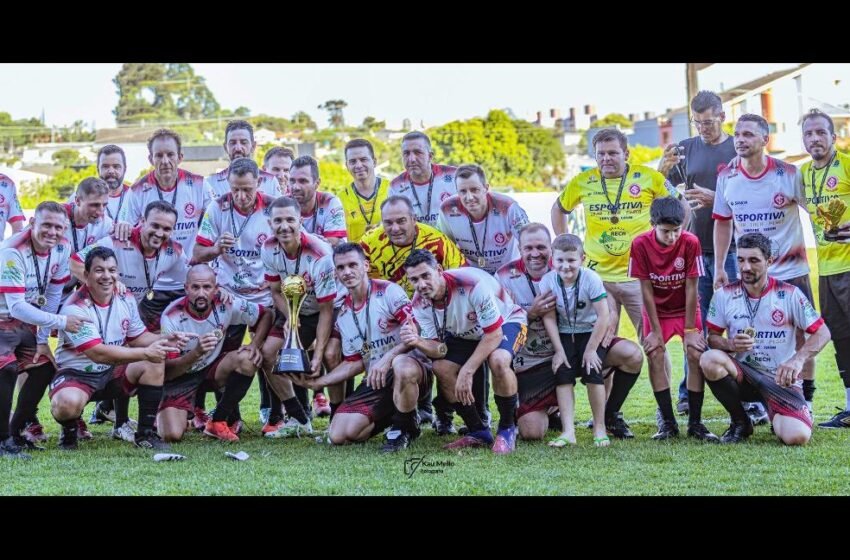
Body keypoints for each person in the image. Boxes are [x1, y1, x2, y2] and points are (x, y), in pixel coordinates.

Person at [496, 224, 643, 442]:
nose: (535, 254)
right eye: (528, 248)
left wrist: (606, 327)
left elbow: (606, 307)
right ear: (519, 248)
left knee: (632, 355)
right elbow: (501, 323)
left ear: (551, 249)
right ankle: (553, 411)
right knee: (531, 432)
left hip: (580, 341)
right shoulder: (504, 276)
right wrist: (530, 313)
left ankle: (608, 417)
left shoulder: (576, 267)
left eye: (541, 247)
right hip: (535, 361)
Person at [713, 114, 817, 413]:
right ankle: (757, 401)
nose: (740, 140)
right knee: (750, 335)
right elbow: (722, 222)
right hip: (751, 273)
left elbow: (814, 210)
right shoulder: (727, 177)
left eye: (747, 134)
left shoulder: (789, 173)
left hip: (792, 269)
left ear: (764, 140)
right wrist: (721, 266)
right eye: (737, 135)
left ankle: (804, 400)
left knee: (802, 336)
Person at [292, 243, 431, 452]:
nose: (347, 272)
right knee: (339, 435)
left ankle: (405, 427)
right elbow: (354, 362)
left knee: (401, 366)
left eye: (352, 265)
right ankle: (394, 413)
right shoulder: (345, 313)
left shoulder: (388, 291)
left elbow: (415, 333)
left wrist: (387, 360)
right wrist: (318, 382)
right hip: (377, 380)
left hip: (411, 370)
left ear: (365, 265)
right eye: (340, 268)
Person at [48, 246, 188, 451]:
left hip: (111, 372)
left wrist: (166, 339)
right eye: (99, 270)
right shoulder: (75, 307)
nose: (107, 276)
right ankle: (69, 432)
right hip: (78, 375)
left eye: (112, 270)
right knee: (66, 404)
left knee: (154, 362)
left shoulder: (126, 297)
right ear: (86, 275)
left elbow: (138, 336)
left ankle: (146, 434)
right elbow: (98, 353)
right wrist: (145, 352)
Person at [700, 233, 831, 445]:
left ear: (769, 261)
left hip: (781, 379)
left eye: (753, 260)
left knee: (797, 437)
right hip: (744, 376)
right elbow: (713, 338)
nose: (745, 267)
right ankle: (741, 422)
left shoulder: (789, 294)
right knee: (709, 359)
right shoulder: (724, 295)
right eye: (741, 260)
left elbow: (823, 332)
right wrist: (730, 344)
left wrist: (797, 360)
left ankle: (776, 411)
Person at [656, 90, 738, 415]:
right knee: (695, 325)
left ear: (722, 116)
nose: (703, 128)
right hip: (693, 252)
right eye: (697, 122)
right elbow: (660, 191)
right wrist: (662, 170)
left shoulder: (738, 147)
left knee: (737, 323)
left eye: (708, 121)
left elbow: (747, 196)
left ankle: (749, 393)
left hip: (734, 251)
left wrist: (714, 196)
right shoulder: (686, 149)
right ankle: (689, 394)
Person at [402, 249, 526, 454]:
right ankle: (478, 431)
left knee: (498, 360)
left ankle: (507, 428)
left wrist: (467, 370)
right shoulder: (419, 303)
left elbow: (493, 335)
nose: (421, 285)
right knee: (441, 367)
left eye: (426, 276)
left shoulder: (471, 284)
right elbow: (439, 350)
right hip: (466, 334)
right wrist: (418, 341)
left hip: (506, 322)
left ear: (439, 270)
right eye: (414, 279)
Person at [628, 197, 717, 441]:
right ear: (652, 224)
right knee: (655, 353)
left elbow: (692, 288)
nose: (672, 237)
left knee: (695, 352)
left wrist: (690, 329)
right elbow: (645, 289)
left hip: (686, 310)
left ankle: (696, 423)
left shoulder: (691, 242)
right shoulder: (639, 244)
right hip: (657, 311)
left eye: (676, 231)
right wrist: (654, 331)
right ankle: (668, 423)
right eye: (666, 232)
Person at [157, 264, 272, 442]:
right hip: (180, 378)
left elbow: (265, 314)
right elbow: (168, 372)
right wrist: (196, 352)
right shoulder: (171, 317)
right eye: (195, 287)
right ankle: (170, 413)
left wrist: (255, 344)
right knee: (171, 435)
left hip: (212, 370)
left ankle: (217, 421)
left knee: (248, 359)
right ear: (186, 288)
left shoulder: (226, 304)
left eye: (207, 287)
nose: (201, 293)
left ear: (216, 289)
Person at [0, 202, 77, 457]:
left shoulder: (63, 248)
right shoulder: (12, 250)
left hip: (21, 323)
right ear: (33, 223)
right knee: (7, 368)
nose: (52, 232)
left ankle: (14, 433)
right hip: (5, 317)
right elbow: (18, 306)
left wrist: (44, 340)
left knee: (44, 367)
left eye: (58, 227)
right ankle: (2, 442)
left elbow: (53, 294)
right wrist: (61, 322)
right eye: (46, 225)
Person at [797, 109, 850, 428]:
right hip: (827, 269)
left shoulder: (845, 163)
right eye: (808, 134)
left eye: (820, 132)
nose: (815, 138)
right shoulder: (801, 173)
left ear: (833, 136)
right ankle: (848, 407)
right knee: (841, 339)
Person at [438, 164, 529, 274]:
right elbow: (444, 247)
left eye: (474, 190)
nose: (469, 197)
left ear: (486, 188)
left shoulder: (508, 206)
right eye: (463, 191)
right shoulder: (447, 209)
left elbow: (529, 240)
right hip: (473, 275)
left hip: (508, 273)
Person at [389, 132, 457, 228]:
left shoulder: (454, 176)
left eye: (418, 152)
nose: (411, 159)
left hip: (451, 241)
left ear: (430, 156)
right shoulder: (395, 187)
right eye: (406, 153)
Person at [205, 120, 284, 199]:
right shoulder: (211, 183)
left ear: (253, 146)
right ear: (225, 147)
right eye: (233, 143)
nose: (238, 148)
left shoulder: (270, 182)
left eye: (243, 142)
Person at [288, 156, 347, 247]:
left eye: (303, 181)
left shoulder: (330, 202)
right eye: (292, 181)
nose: (296, 187)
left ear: (317, 183)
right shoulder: (282, 205)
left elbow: (332, 242)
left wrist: (299, 238)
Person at [339, 139, 390, 241]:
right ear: (347, 166)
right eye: (353, 161)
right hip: (355, 256)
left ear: (374, 162)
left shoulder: (392, 190)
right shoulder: (340, 199)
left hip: (389, 255)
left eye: (363, 159)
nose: (358, 165)